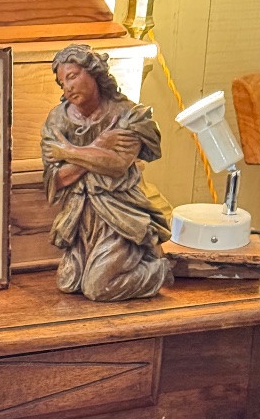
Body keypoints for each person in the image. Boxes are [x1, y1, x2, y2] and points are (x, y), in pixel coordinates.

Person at [40, 44, 172, 302]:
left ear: (94, 72)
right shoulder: (57, 119)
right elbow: (57, 179)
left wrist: (67, 151)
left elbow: (117, 165)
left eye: (72, 76)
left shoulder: (129, 115)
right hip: (80, 217)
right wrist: (99, 146)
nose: (67, 87)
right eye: (62, 83)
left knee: (98, 288)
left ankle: (157, 271)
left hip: (119, 216)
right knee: (68, 282)